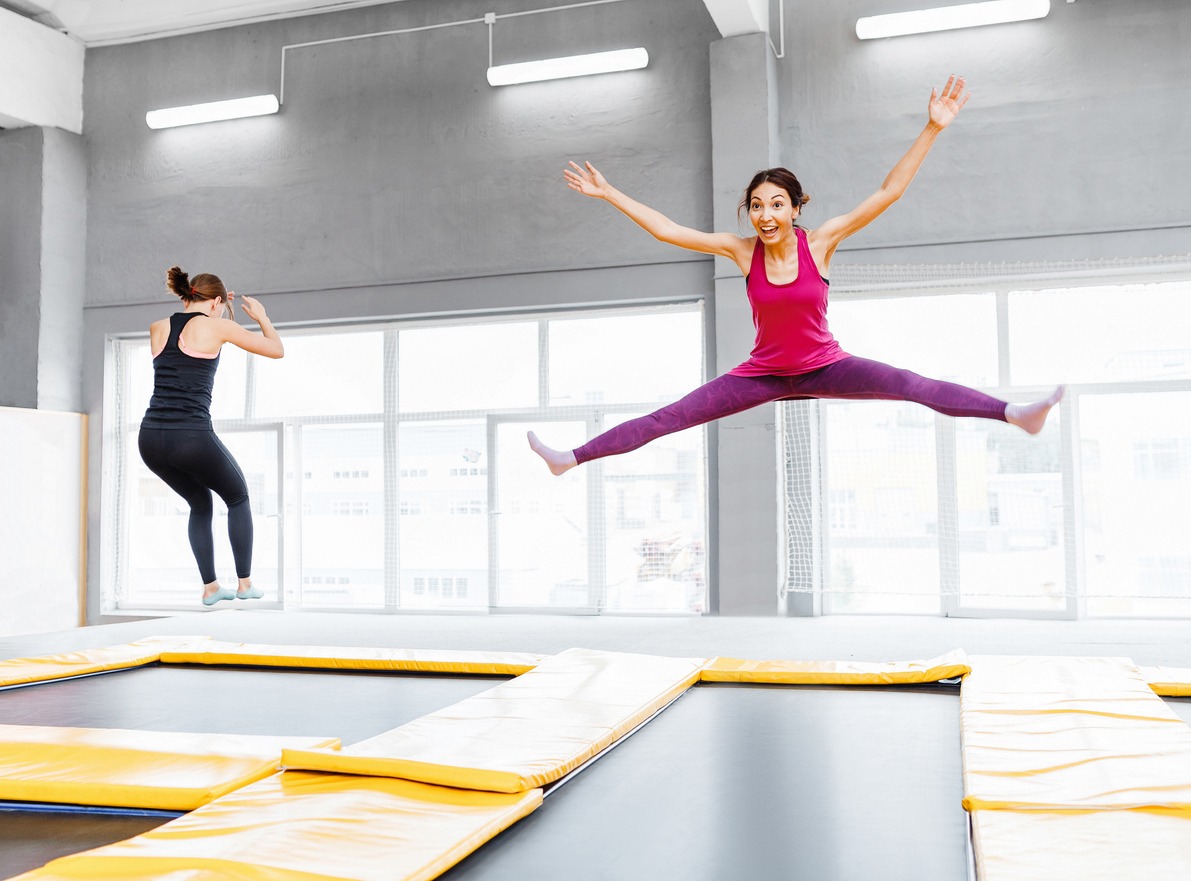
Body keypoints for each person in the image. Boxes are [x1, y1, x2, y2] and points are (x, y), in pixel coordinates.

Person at [529, 75, 1063, 476]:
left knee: (910, 385)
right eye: (756, 205)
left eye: (776, 204)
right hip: (760, 375)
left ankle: (1015, 414)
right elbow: (667, 229)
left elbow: (887, 192)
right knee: (669, 417)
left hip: (826, 366)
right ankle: (570, 459)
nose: (764, 214)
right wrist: (610, 193)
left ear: (793, 207)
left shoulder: (822, 241)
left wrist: (931, 127)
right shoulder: (740, 251)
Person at [138, 266, 284, 605]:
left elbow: (188, 333)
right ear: (216, 302)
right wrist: (261, 317)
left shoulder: (158, 327)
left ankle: (211, 587)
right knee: (237, 497)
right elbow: (276, 349)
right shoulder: (218, 325)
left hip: (150, 439)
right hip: (189, 435)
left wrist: (217, 303)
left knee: (199, 502)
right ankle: (245, 583)